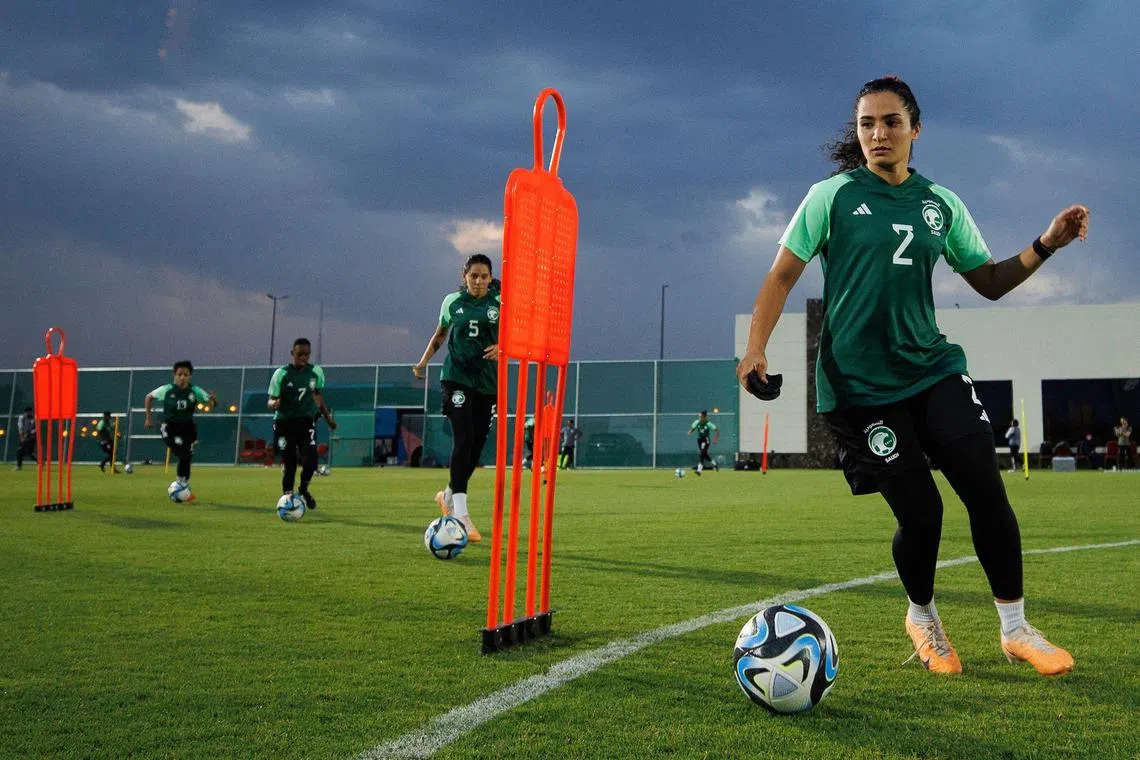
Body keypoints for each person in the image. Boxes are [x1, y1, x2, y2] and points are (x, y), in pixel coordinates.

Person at [737, 76, 1088, 677]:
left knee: (986, 489)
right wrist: (755, 349)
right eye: (867, 124)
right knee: (923, 515)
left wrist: (1046, 244)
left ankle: (1016, 629)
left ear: (914, 129)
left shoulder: (941, 204)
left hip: (932, 368)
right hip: (860, 389)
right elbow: (781, 277)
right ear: (858, 133)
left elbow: (990, 282)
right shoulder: (831, 196)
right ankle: (922, 617)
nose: (878, 134)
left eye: (891, 122)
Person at [413, 254, 501, 542]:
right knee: (462, 438)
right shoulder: (453, 302)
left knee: (474, 450)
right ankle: (461, 514)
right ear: (464, 276)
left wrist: (505, 346)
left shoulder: (501, 302)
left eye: (484, 276)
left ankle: (448, 495)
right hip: (456, 379)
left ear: (490, 278)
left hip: (487, 383)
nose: (478, 281)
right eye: (473, 276)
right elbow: (440, 335)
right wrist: (423, 362)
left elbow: (520, 332)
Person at [268, 338, 336, 510]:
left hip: (306, 422)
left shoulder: (316, 372)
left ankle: (303, 489)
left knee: (311, 460)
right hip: (284, 422)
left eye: (306, 354)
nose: (303, 358)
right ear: (293, 354)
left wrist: (328, 418)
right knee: (290, 462)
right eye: (300, 355)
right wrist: (273, 403)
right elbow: (271, 400)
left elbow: (318, 396)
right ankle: (288, 499)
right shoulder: (281, 373)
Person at [145, 361, 218, 495]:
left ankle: (182, 483)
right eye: (179, 374)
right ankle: (180, 484)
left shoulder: (194, 390)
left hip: (188, 428)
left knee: (187, 455)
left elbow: (210, 402)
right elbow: (149, 397)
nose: (182, 377)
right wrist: (148, 417)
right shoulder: (167, 389)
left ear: (190, 376)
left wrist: (213, 400)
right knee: (182, 452)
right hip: (170, 427)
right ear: (174, 375)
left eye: (185, 374)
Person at [687, 410, 720, 475]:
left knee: (702, 453)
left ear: (705, 417)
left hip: (706, 440)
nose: (699, 418)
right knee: (704, 455)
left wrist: (715, 439)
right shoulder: (697, 422)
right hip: (699, 440)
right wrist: (690, 431)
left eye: (701, 417)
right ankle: (715, 464)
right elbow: (693, 428)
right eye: (699, 416)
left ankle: (699, 470)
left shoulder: (708, 424)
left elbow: (717, 431)